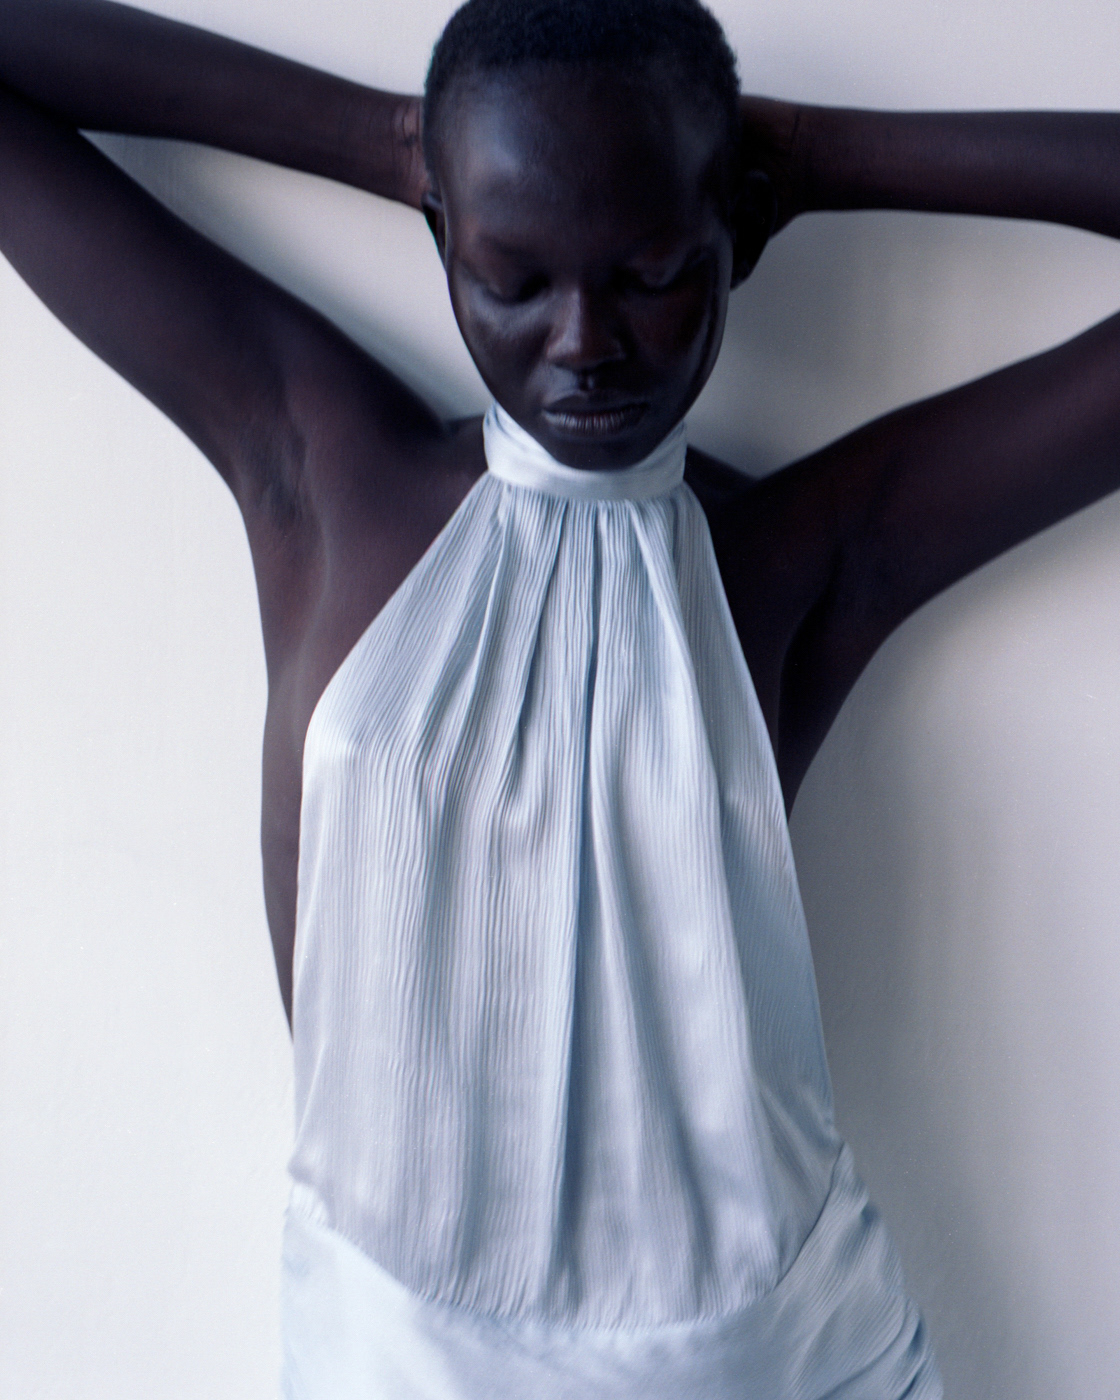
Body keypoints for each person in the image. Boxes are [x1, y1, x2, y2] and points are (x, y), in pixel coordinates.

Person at [2, 0, 1119, 1394]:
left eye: (651, 272)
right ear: (448, 243)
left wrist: (800, 159)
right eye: (512, 276)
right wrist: (409, 144)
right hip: (392, 1360)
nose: (585, 341)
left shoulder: (798, 557)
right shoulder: (326, 471)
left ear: (729, 239)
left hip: (781, 1362)